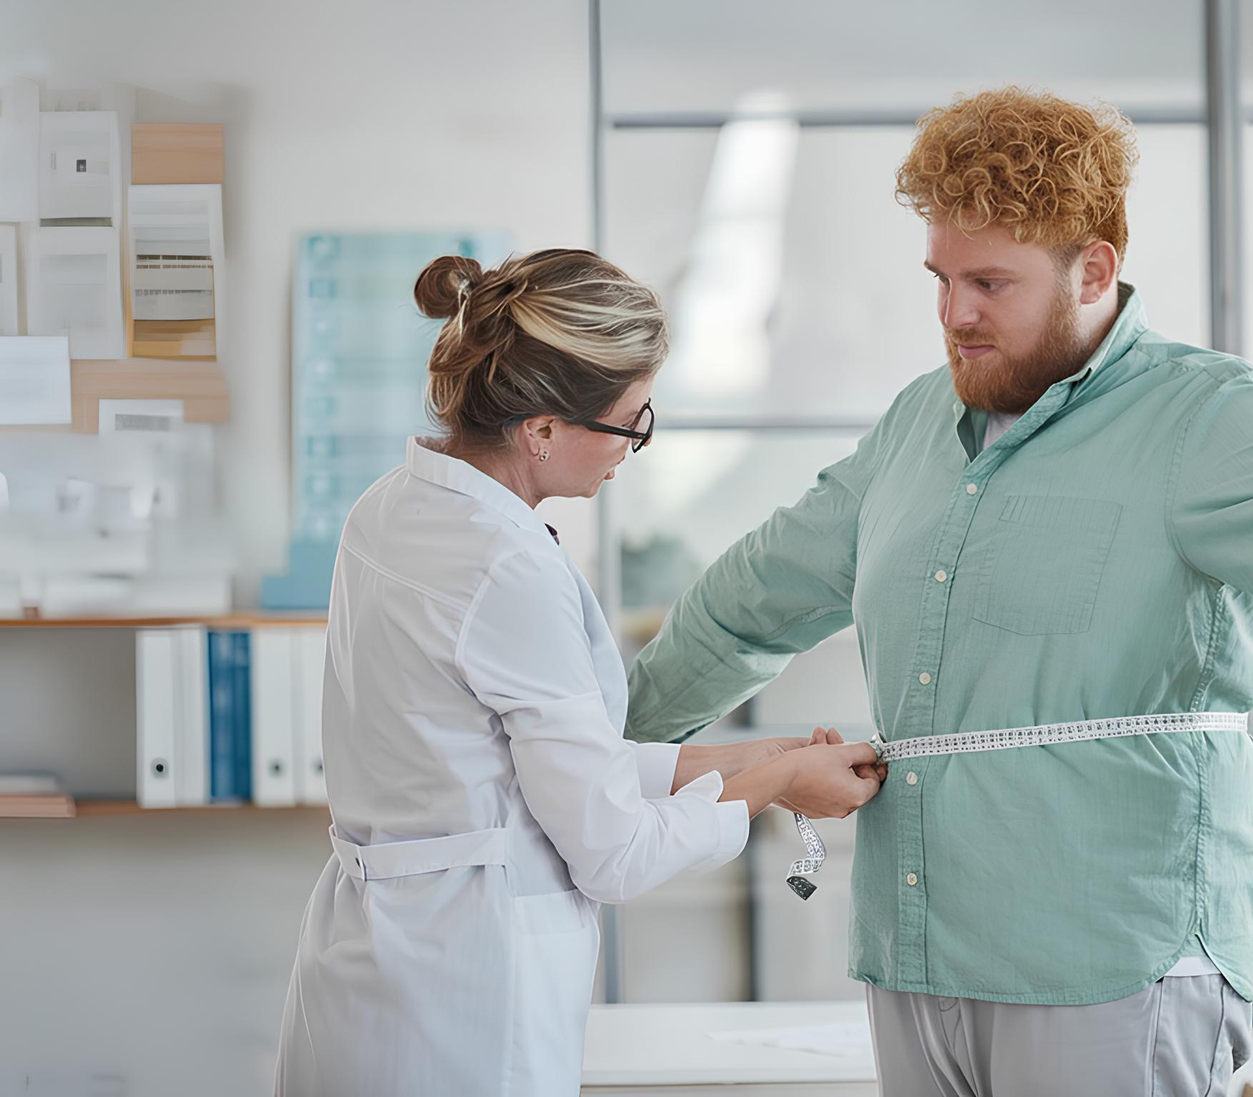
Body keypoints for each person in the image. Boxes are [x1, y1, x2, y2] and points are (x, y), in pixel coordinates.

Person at [625, 88, 1253, 1095]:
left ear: (1096, 268)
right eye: (940, 278)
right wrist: (593, 741)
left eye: (990, 283)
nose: (953, 314)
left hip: (1112, 962)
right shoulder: (914, 426)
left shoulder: (1201, 418)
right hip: (914, 956)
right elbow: (752, 596)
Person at [273, 248, 884, 1095]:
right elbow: (614, 853)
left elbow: (536, 766)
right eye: (628, 422)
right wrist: (778, 784)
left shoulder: (391, 509)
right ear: (543, 429)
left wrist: (759, 755)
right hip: (464, 996)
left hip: (369, 962)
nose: (632, 446)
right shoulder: (506, 568)